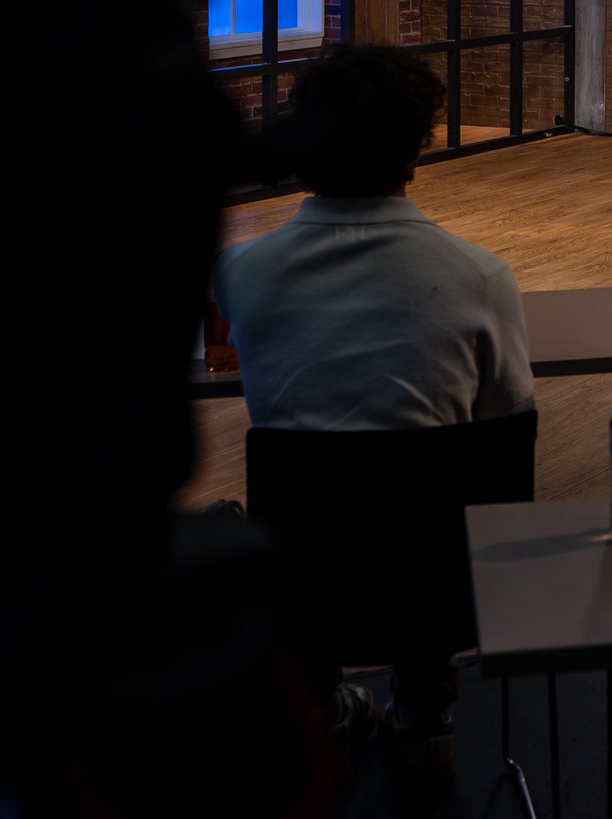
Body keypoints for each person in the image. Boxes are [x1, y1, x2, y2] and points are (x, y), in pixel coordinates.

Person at [212, 44, 534, 778]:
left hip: (303, 580)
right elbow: (508, 420)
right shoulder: (482, 278)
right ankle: (426, 706)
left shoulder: (240, 273)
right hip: (443, 586)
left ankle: (318, 703)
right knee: (427, 500)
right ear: (416, 147)